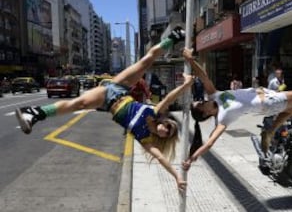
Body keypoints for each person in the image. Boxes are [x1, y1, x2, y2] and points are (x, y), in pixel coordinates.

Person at [15, 27, 190, 191]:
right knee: (145, 62)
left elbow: (160, 158)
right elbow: (169, 98)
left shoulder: (145, 139)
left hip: (108, 100)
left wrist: (176, 176)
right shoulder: (153, 114)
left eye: (167, 133)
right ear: (165, 122)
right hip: (119, 87)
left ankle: (34, 113)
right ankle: (174, 37)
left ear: (163, 138)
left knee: (79, 104)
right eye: (168, 127)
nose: (164, 130)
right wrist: (186, 84)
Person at [181, 48, 292, 170]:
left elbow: (203, 77)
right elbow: (210, 142)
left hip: (267, 100)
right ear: (205, 113)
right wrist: (191, 158)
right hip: (269, 102)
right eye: (201, 104)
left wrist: (191, 60)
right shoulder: (222, 119)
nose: (203, 100)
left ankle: (270, 132)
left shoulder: (214, 95)